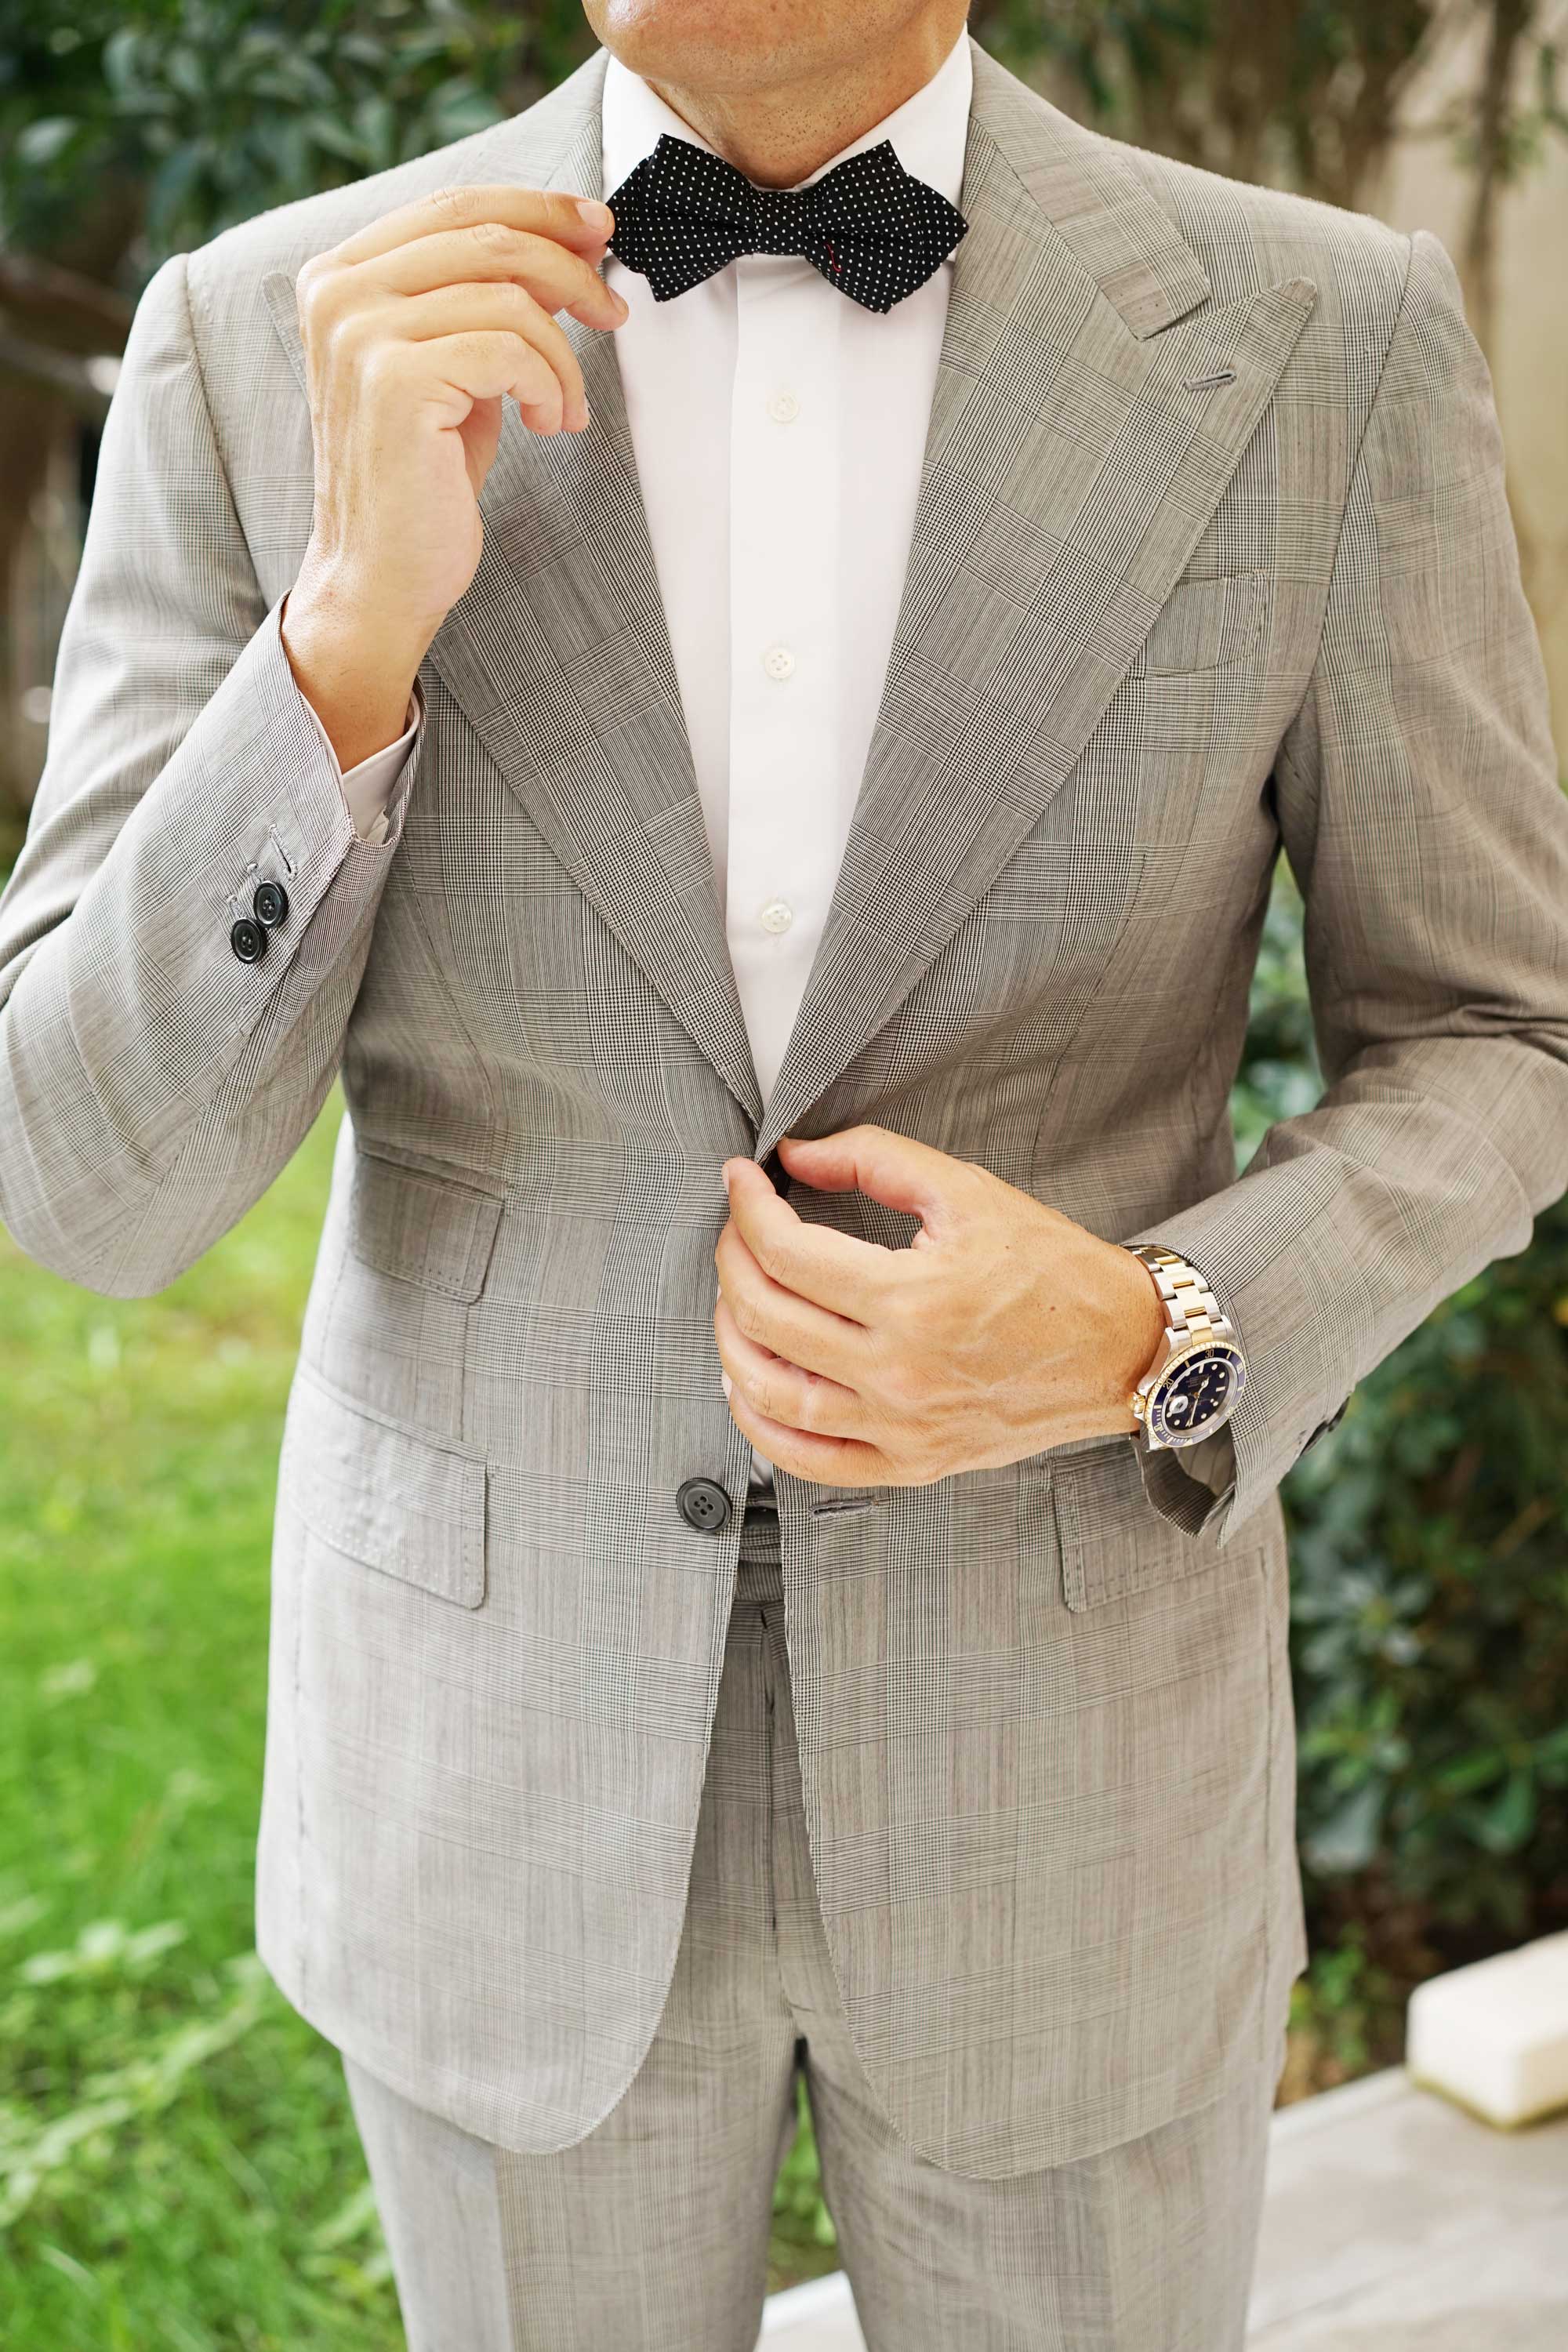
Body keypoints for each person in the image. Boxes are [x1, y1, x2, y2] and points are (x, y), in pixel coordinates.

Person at [2, 2, 1566, 2343]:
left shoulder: (1318, 345)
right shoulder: (261, 337)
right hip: (494, 1790)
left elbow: (1496, 1032)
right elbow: (84, 1185)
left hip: (1075, 1800)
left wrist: (1161, 1324)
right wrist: (340, 652)